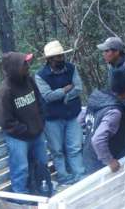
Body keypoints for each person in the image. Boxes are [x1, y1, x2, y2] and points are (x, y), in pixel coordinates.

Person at [0, 52, 49, 195]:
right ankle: (21, 198)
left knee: (42, 164)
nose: (27, 66)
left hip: (37, 133)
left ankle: (44, 192)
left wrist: (40, 122)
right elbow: (5, 121)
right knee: (21, 169)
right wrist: (25, 129)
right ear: (15, 67)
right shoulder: (5, 91)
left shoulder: (29, 81)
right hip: (18, 138)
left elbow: (40, 102)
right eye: (24, 63)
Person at [34, 40, 85, 185]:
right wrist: (65, 90)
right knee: (56, 150)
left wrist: (64, 97)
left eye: (61, 56)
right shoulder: (40, 75)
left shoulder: (71, 68)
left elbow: (78, 87)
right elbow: (48, 96)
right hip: (52, 118)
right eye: (57, 57)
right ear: (49, 59)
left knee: (75, 147)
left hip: (72, 115)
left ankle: (79, 174)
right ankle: (63, 177)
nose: (61, 59)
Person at [81, 69, 125, 174]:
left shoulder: (97, 98)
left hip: (89, 157)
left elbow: (81, 120)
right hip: (102, 165)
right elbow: (98, 139)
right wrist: (109, 160)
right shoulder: (114, 112)